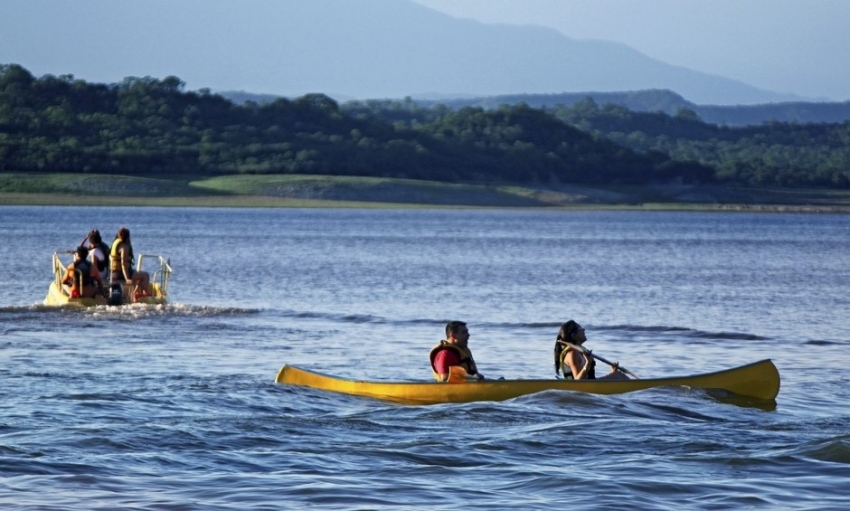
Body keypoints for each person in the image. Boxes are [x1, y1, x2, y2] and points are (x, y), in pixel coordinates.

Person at [553, 320, 629, 380]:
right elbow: (578, 381)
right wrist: (587, 363)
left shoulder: (579, 351)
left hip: (590, 383)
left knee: (616, 374)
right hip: (583, 387)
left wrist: (613, 372)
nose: (584, 330)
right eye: (580, 329)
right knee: (619, 375)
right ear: (574, 335)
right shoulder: (572, 354)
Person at [110, 227, 151, 297]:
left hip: (113, 273)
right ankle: (145, 294)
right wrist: (127, 279)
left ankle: (135, 293)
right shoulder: (124, 247)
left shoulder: (115, 243)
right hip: (121, 274)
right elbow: (124, 264)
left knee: (136, 272)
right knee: (145, 275)